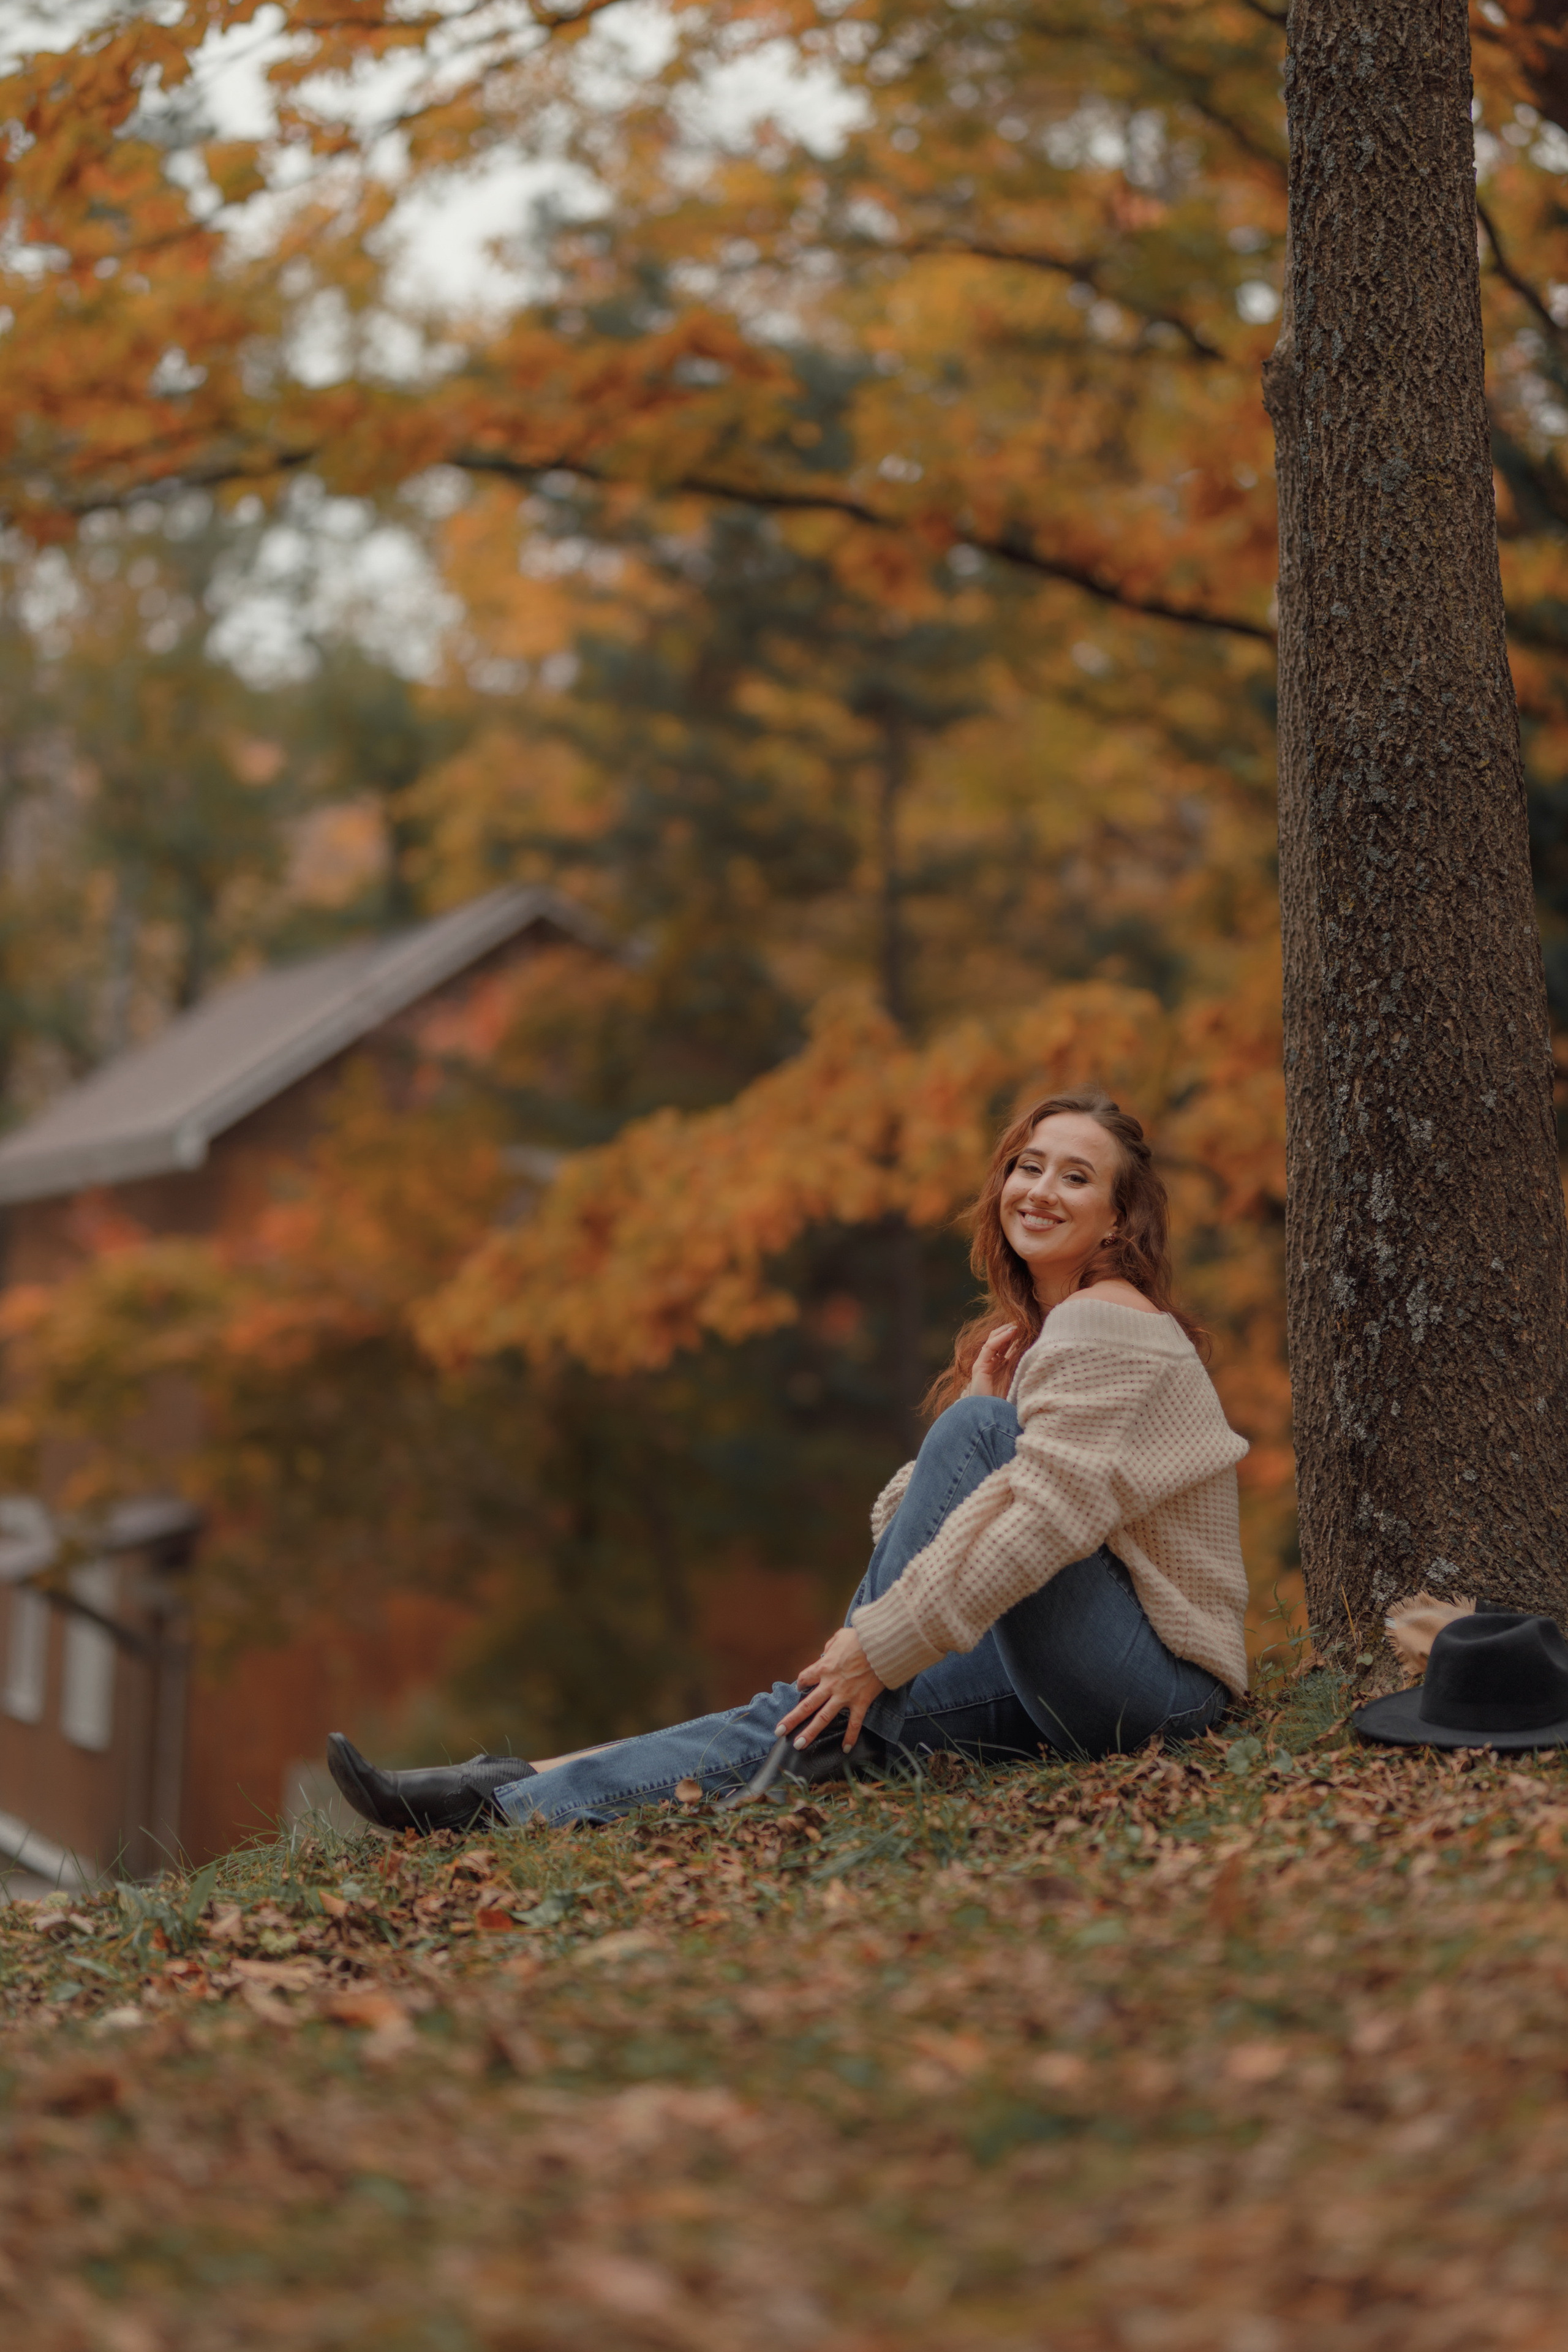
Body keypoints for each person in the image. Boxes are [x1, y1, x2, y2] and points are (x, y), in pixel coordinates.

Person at [327, 1089, 1250, 1834]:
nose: (1039, 1189)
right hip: (1075, 1675)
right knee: (817, 1713)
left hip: (1155, 1692)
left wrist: (878, 1644)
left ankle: (529, 1792)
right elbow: (908, 1532)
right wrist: (978, 1412)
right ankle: (504, 1797)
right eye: (1027, 1164)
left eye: (1076, 1177)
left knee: (853, 1677)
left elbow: (1041, 1527)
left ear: (1120, 1217)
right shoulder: (1032, 1344)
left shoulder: (1108, 1322)